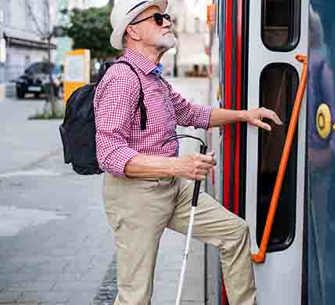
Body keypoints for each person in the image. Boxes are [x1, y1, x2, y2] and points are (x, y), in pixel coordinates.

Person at [94, 1, 282, 304]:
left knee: (235, 233)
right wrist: (178, 167)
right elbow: (110, 154)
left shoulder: (154, 78)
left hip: (172, 187)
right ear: (133, 31)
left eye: (166, 16)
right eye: (157, 18)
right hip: (136, 197)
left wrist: (243, 115)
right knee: (135, 295)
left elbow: (192, 112)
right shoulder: (122, 79)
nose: (167, 22)